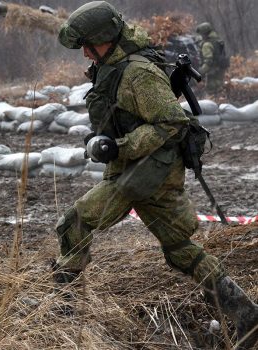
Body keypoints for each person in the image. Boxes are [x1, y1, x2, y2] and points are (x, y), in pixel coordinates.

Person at [54, 2, 257, 348]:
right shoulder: (110, 66)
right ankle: (248, 316)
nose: (85, 52)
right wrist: (101, 139)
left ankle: (59, 311)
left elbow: (171, 122)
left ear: (106, 38)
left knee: (74, 222)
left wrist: (120, 146)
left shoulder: (137, 73)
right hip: (145, 170)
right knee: (179, 249)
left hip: (143, 172)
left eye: (89, 44)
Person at [196, 22, 229, 95]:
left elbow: (208, 62)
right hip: (220, 70)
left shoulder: (207, 44)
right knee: (219, 89)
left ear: (204, 33)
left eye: (201, 34)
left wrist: (199, 72)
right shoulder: (217, 40)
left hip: (212, 73)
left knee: (211, 92)